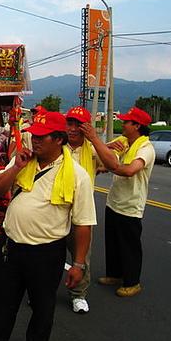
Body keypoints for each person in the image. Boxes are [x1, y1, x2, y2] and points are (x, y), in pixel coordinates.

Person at [0, 111, 96, 341]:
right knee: (0, 302)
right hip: (10, 245)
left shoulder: (77, 175)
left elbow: (83, 224)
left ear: (58, 140)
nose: (34, 140)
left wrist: (79, 264)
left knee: (43, 307)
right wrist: (15, 167)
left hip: (46, 252)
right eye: (33, 135)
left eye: (41, 137)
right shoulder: (23, 162)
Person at [80, 106, 154, 297]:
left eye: (126, 122)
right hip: (114, 201)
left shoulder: (146, 148)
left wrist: (96, 140)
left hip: (130, 205)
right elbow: (109, 156)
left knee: (129, 245)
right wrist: (106, 161)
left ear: (137, 126)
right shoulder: (125, 141)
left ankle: (132, 282)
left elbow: (129, 170)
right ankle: (115, 275)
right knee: (113, 242)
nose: (123, 124)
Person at [63, 106, 102, 314]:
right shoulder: (57, 145)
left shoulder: (92, 148)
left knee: (82, 257)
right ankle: (42, 292)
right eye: (70, 123)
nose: (74, 129)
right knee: (50, 255)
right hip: (56, 211)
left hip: (81, 213)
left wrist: (95, 139)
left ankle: (78, 295)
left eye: (79, 125)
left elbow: (112, 163)